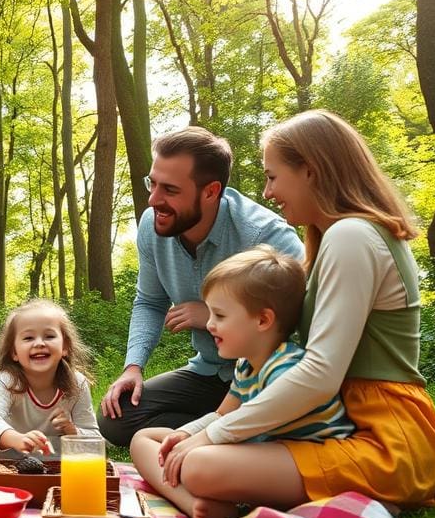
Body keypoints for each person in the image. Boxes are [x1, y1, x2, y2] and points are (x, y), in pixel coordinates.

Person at [154, 110, 435, 518]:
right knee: (157, 443)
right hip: (339, 424)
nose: (267, 192)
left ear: (310, 170)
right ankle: (216, 498)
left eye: (273, 176)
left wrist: (213, 435)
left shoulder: (352, 236)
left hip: (381, 438)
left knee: (198, 464)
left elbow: (320, 373)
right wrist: (201, 432)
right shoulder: (338, 237)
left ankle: (361, 496)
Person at [98, 127, 303, 445]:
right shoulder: (152, 226)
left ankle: (226, 430)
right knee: (117, 417)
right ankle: (220, 430)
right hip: (208, 372)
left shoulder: (267, 236)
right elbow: (149, 302)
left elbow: (297, 322)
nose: (154, 200)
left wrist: (209, 314)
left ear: (211, 191)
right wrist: (132, 367)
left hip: (264, 377)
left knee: (280, 420)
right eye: (152, 183)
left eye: (170, 189)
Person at [130, 246, 354, 518]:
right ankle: (194, 502)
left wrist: (199, 443)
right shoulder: (246, 364)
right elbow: (222, 415)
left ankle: (203, 492)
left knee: (197, 463)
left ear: (262, 320)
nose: (209, 325)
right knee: (144, 439)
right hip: (261, 457)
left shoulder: (286, 367)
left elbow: (243, 426)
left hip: (307, 461)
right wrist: (185, 434)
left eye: (220, 316)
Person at [0, 299, 101, 457]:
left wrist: (71, 430)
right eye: (28, 338)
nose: (39, 343)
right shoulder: (9, 379)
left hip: (53, 451)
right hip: (12, 449)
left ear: (65, 347)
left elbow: (94, 439)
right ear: (14, 352)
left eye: (49, 336)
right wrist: (19, 440)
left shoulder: (77, 382)